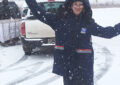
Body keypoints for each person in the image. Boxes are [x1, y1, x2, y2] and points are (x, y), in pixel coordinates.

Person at [25, 0, 120, 85]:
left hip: (85, 68)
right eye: (75, 4)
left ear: (84, 6)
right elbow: (40, 13)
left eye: (81, 4)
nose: (78, 7)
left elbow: (107, 33)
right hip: (68, 66)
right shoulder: (59, 20)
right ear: (70, 5)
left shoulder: (88, 23)